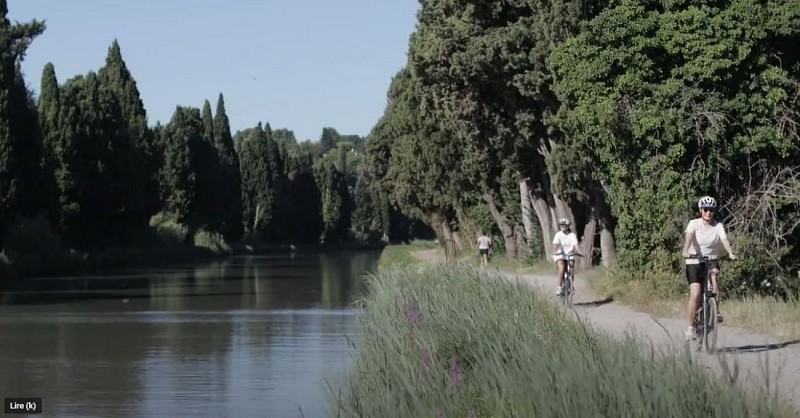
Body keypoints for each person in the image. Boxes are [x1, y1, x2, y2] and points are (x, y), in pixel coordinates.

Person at [682, 196, 737, 340]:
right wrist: (686, 250)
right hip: (694, 261)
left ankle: (715, 309)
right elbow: (689, 237)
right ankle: (690, 327)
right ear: (701, 210)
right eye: (705, 210)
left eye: (711, 210)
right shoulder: (694, 223)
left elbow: (724, 239)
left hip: (711, 259)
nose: (708, 213)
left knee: (714, 276)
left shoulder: (718, 226)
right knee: (695, 294)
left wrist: (730, 252)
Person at [553, 218, 580, 296]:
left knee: (571, 269)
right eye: (561, 226)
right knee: (561, 267)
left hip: (569, 254)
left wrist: (579, 252)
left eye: (564, 226)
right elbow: (555, 245)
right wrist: (555, 251)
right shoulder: (558, 235)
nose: (562, 227)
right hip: (560, 254)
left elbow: (576, 246)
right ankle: (559, 287)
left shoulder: (572, 235)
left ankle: (571, 285)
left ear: (568, 226)